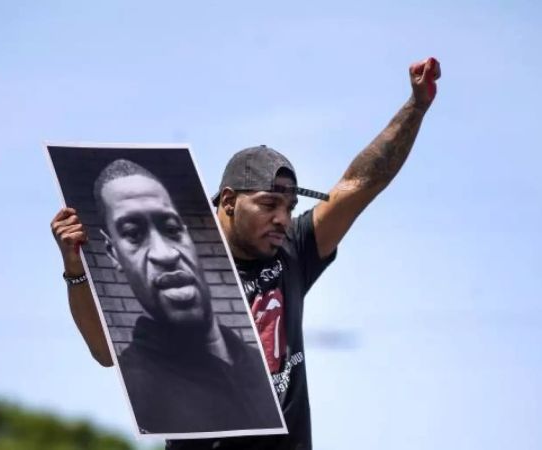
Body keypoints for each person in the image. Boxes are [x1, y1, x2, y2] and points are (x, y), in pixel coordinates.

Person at [50, 57, 442, 449]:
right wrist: (75, 269)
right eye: (270, 204)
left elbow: (360, 183)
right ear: (229, 202)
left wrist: (415, 107)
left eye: (289, 208)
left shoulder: (293, 251)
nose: (283, 219)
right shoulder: (178, 266)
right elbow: (104, 350)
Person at [53, 159, 281, 434]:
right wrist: (75, 269)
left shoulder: (256, 361)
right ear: (113, 253)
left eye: (172, 229)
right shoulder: (141, 375)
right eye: (134, 235)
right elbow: (103, 352)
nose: (165, 254)